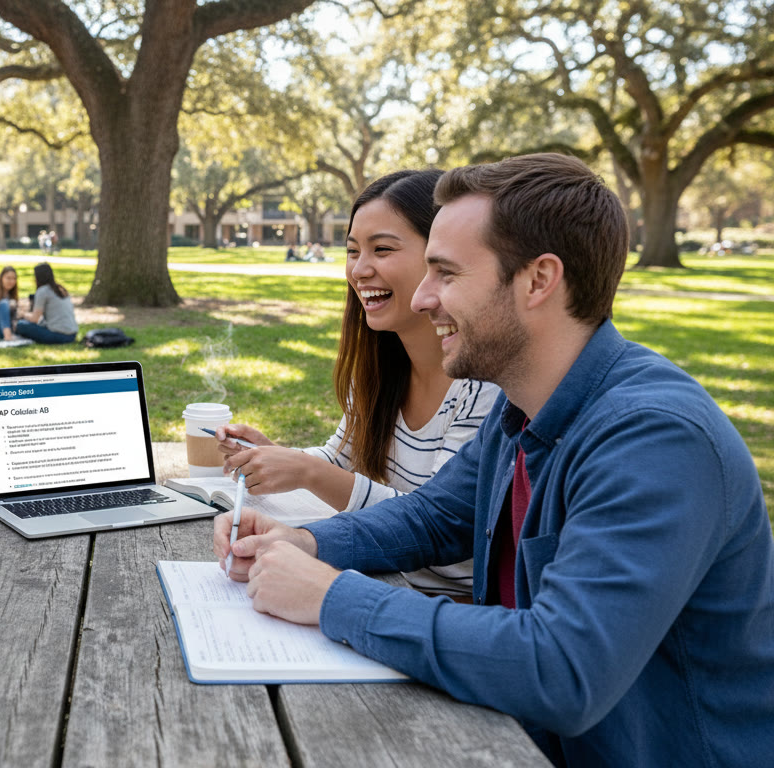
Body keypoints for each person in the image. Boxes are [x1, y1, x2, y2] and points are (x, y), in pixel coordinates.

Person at [214, 153, 774, 766]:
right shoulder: (526, 406)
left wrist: (331, 597)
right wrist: (302, 543)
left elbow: (562, 668)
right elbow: (431, 518)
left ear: (538, 280)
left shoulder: (657, 439)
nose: (424, 299)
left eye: (446, 274)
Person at [217, 171, 500, 597]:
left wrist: (307, 472)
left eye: (382, 249)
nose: (360, 270)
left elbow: (437, 523)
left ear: (440, 257)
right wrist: (280, 457)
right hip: (378, 579)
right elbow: (342, 459)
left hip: (442, 607)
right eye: (351, 251)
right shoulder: (380, 368)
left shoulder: (483, 385)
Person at [14, 262, 78, 344]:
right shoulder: (60, 289)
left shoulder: (43, 291)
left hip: (59, 336)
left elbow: (34, 319)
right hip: (72, 335)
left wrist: (23, 314)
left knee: (20, 325)